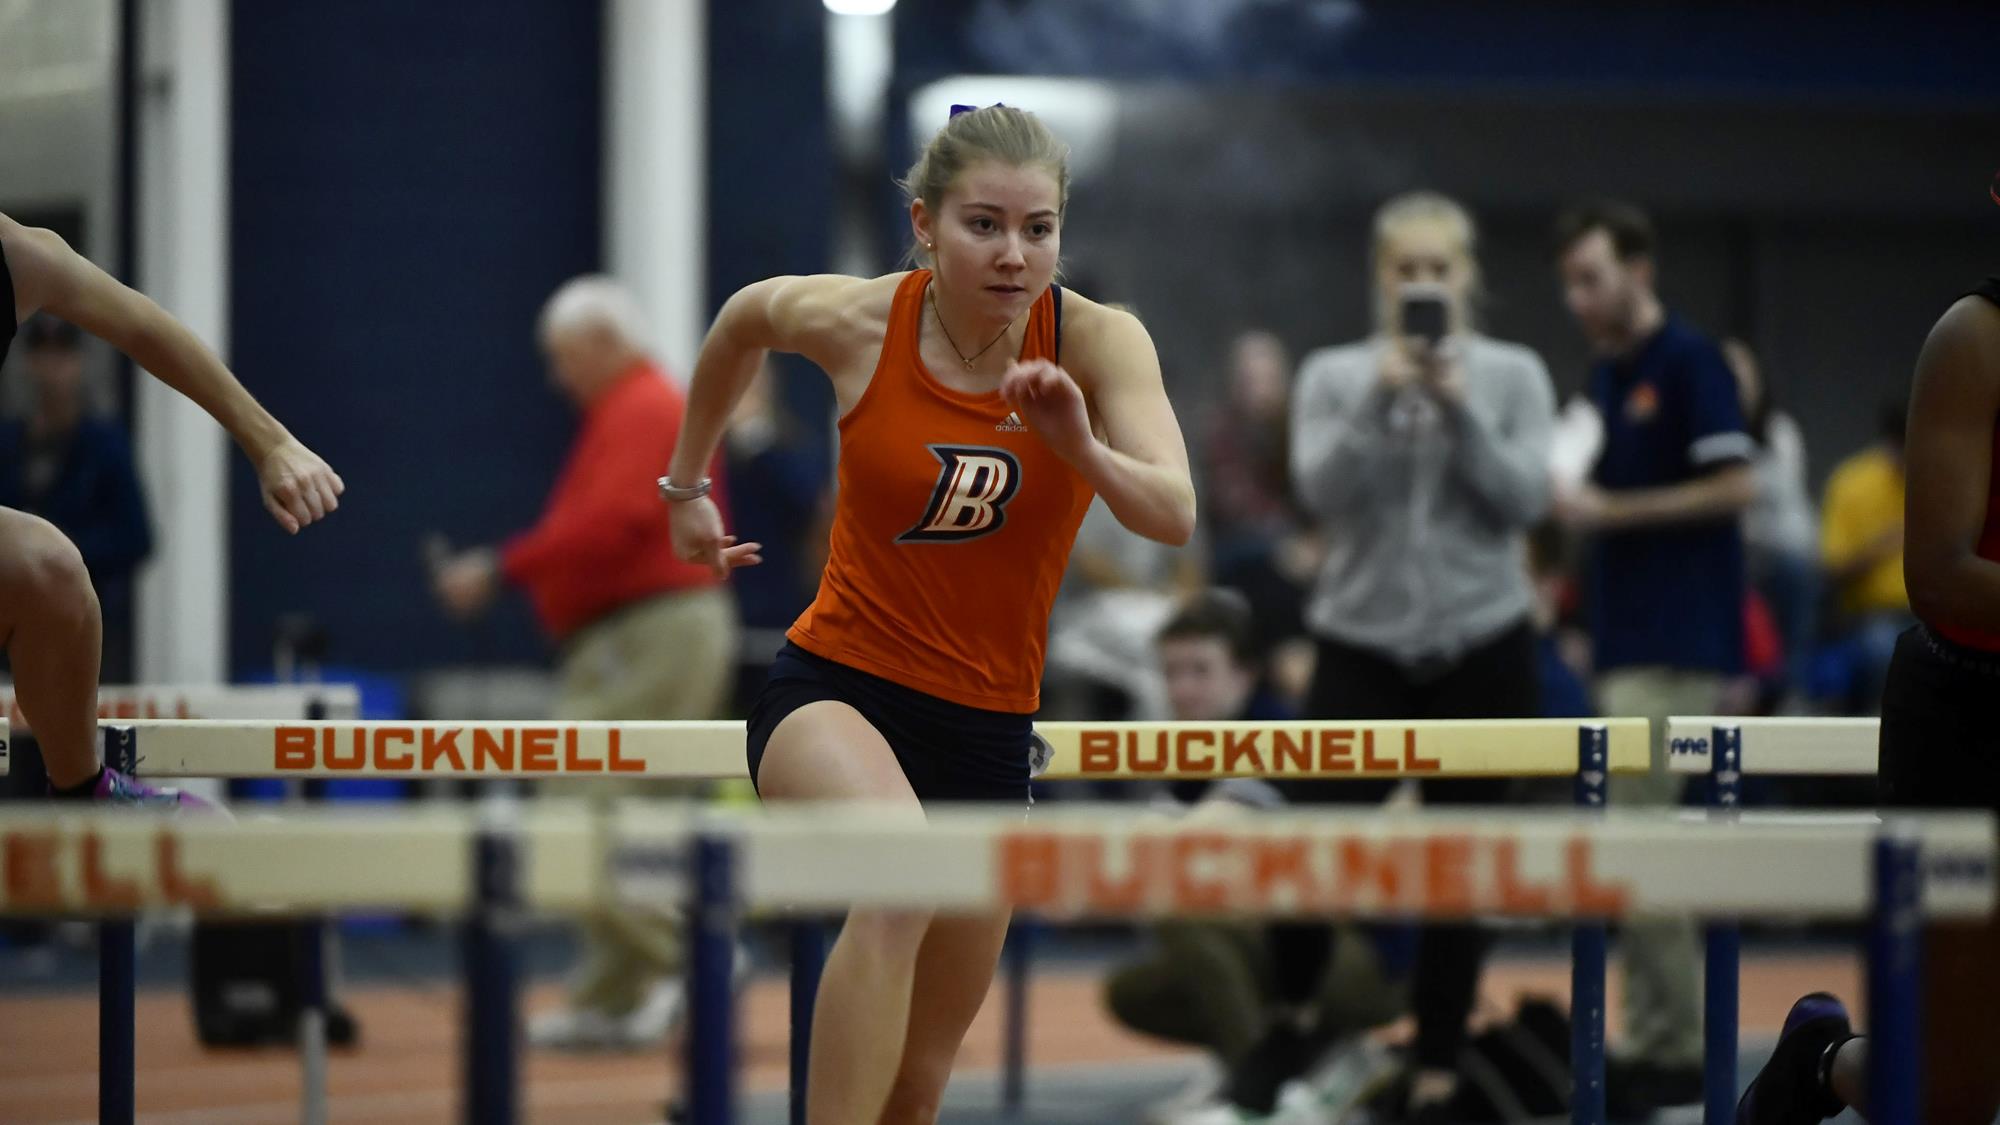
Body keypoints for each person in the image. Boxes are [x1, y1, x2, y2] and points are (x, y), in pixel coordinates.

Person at [662, 104, 1194, 1123]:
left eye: (1036, 230)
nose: (1011, 255)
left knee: (914, 1086)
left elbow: (1171, 513)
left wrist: (1080, 447)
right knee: (897, 879)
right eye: (982, 225)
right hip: (836, 690)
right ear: (923, 223)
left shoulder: (1095, 341)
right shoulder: (860, 318)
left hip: (987, 731)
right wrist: (686, 488)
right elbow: (738, 322)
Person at [1235, 190, 1554, 1124]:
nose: (1423, 284)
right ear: (1382, 280)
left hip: (1483, 640)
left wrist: (1460, 412)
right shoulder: (1336, 374)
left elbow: (1526, 503)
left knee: (1460, 864)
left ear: (1467, 278)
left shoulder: (1513, 374)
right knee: (1309, 842)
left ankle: (1440, 1069)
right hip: (1362, 643)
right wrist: (1384, 394)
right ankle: (1290, 1020)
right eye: (1406, 269)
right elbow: (1319, 491)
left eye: (1438, 269)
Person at [430, 275, 740, 1050]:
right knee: (629, 809)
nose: (556, 376)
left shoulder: (645, 405)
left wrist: (503, 568)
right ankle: (614, 992)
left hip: (654, 627)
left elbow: (612, 523)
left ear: (605, 341)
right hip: (639, 628)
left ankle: (691, 952)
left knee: (578, 796)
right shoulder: (633, 408)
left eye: (563, 356)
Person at [1737, 279, 2000, 1125]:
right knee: (1952, 1093)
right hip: (1971, 712)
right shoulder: (1975, 338)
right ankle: (1823, 1060)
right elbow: (1936, 577)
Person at [0, 212, 342, 807]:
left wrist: (270, 442)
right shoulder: (15, 438)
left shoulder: (19, 258)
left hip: (73, 619)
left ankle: (86, 793)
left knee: (47, 564)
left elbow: (142, 324)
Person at [1551, 199, 1757, 1117]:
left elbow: (1736, 482)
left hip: (1677, 641)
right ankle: (1662, 1038)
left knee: (1640, 842)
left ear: (1641, 268)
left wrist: (1611, 514)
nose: (1580, 298)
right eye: (1569, 284)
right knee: (1630, 840)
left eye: (1593, 277)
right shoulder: (1606, 375)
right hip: (1626, 637)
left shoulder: (1690, 361)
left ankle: (1675, 1047)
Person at [1103, 590, 1406, 1125]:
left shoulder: (1276, 734)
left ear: (1245, 675)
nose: (1183, 689)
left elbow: (1177, 850)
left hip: (1373, 958)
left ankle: (1266, 1093)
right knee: (1134, 992)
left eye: (1200, 670)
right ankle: (1308, 1062)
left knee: (1183, 907)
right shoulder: (1189, 755)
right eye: (1171, 672)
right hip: (1287, 948)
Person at [0, 317, 153, 682]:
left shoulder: (104, 446)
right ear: (28, 363)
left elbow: (136, 536)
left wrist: (63, 550)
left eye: (62, 356)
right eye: (42, 355)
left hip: (85, 617)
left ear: (79, 362)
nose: (52, 370)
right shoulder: (8, 443)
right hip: (12, 621)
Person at [1723, 337, 1819, 710]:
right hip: (1721, 552)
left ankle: (1791, 689)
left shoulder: (1779, 432)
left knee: (1797, 569)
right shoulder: (1697, 432)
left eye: (1741, 377)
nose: (1734, 387)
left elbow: (1779, 505)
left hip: (1774, 549)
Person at [1819, 400, 1912, 712]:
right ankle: (1882, 731)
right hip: (1874, 615)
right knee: (1883, 647)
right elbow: (1832, 569)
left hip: (1938, 613)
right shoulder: (1852, 481)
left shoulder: (1948, 482)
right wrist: (1880, 547)